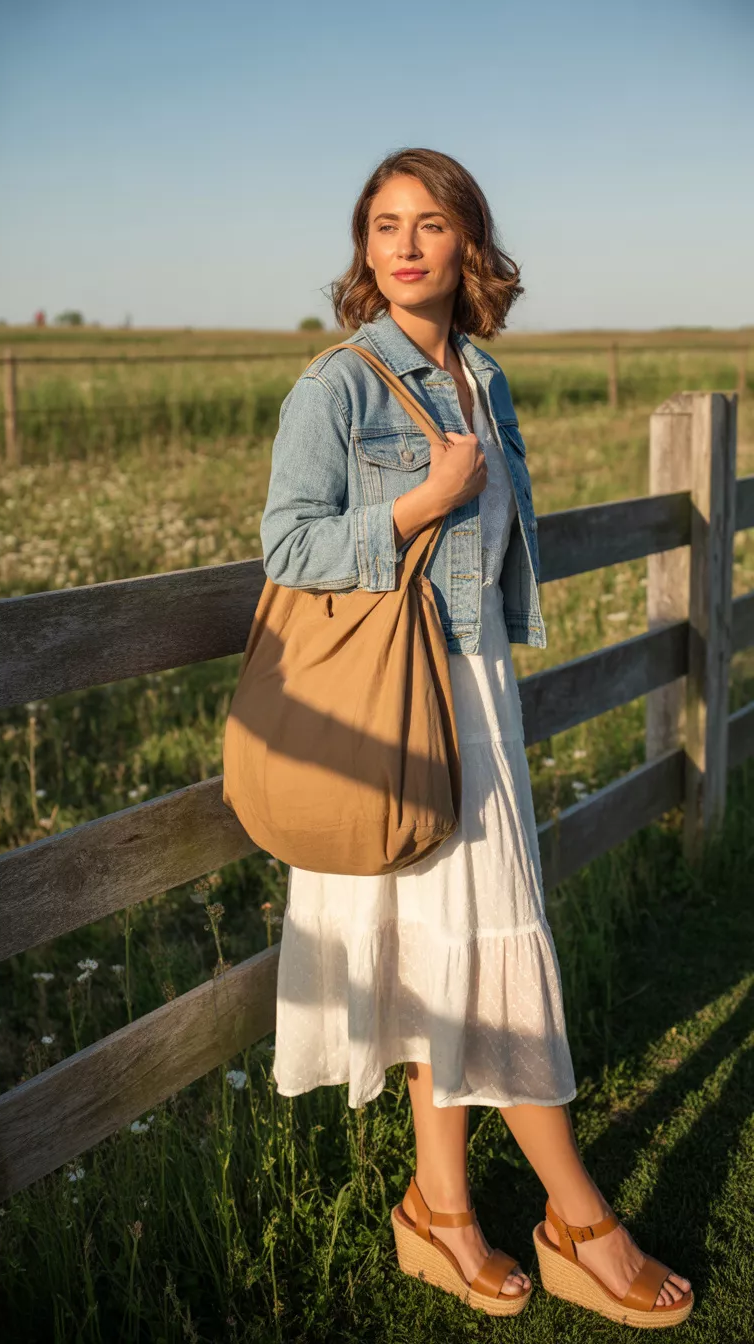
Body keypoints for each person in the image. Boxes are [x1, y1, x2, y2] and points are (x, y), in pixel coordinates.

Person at [258, 147, 693, 1327]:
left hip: (475, 697)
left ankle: (440, 1213)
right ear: (364, 250)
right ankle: (579, 1218)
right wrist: (416, 503)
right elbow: (288, 547)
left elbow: (500, 551)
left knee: (448, 954)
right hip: (391, 713)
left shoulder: (481, 379)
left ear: (467, 246)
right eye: (384, 224)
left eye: (430, 223)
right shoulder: (337, 387)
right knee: (488, 950)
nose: (404, 244)